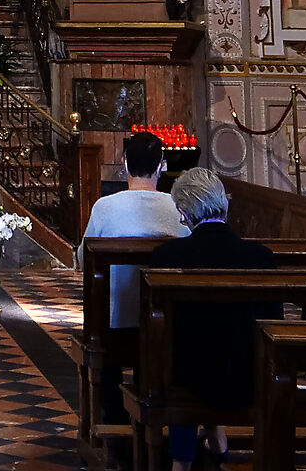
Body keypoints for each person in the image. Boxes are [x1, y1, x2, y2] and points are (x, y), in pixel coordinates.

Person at [146, 169, 278, 471]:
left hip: (188, 378)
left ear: (184, 212)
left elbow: (161, 330)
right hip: (247, 377)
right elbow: (273, 323)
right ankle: (217, 442)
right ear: (224, 204)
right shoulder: (261, 257)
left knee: (180, 355)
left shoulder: (167, 257)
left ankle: (182, 460)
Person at [78, 131, 188, 421]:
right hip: (168, 326)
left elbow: (81, 259)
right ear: (161, 165)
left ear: (124, 164)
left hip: (113, 326)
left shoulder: (105, 207)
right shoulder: (177, 207)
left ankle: (113, 420)